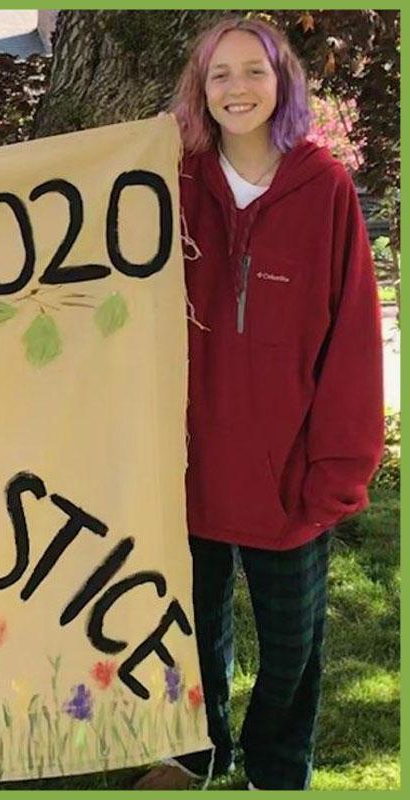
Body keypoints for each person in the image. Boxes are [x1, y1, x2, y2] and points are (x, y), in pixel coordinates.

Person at [135, 17, 384, 790]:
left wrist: (339, 468)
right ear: (198, 91)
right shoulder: (169, 182)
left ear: (283, 82)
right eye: (218, 76)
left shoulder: (325, 188)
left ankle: (277, 767)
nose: (236, 89)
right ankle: (197, 754)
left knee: (293, 645)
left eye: (253, 72)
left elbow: (351, 342)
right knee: (192, 633)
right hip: (187, 465)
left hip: (290, 472)